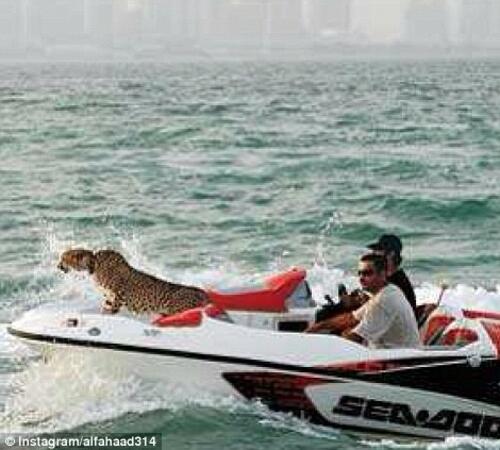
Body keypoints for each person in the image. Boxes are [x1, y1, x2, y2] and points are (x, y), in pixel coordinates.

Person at [306, 253, 420, 349]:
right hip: (389, 355)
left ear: (382, 274)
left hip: (398, 361)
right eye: (359, 273)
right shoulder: (387, 291)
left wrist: (318, 346)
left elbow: (354, 339)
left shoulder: (383, 301)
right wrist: (319, 326)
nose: (361, 278)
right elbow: (351, 318)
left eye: (367, 273)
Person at [367, 234, 417, 318]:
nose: (373, 254)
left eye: (378, 250)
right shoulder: (387, 278)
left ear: (391, 254)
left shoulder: (397, 283)